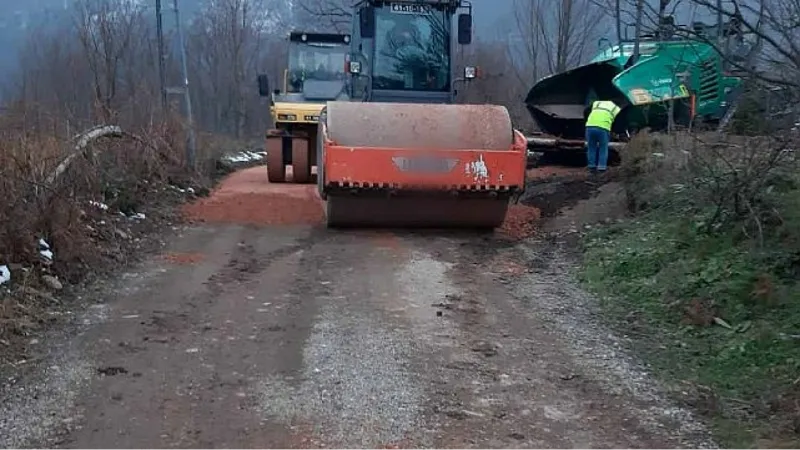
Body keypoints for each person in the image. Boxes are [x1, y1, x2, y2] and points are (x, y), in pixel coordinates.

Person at [584, 99, 621, 172]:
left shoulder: (596, 103)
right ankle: (601, 168)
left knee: (591, 147)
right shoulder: (616, 108)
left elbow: (586, 111)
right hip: (603, 128)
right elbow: (618, 122)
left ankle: (591, 167)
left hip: (590, 126)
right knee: (603, 148)